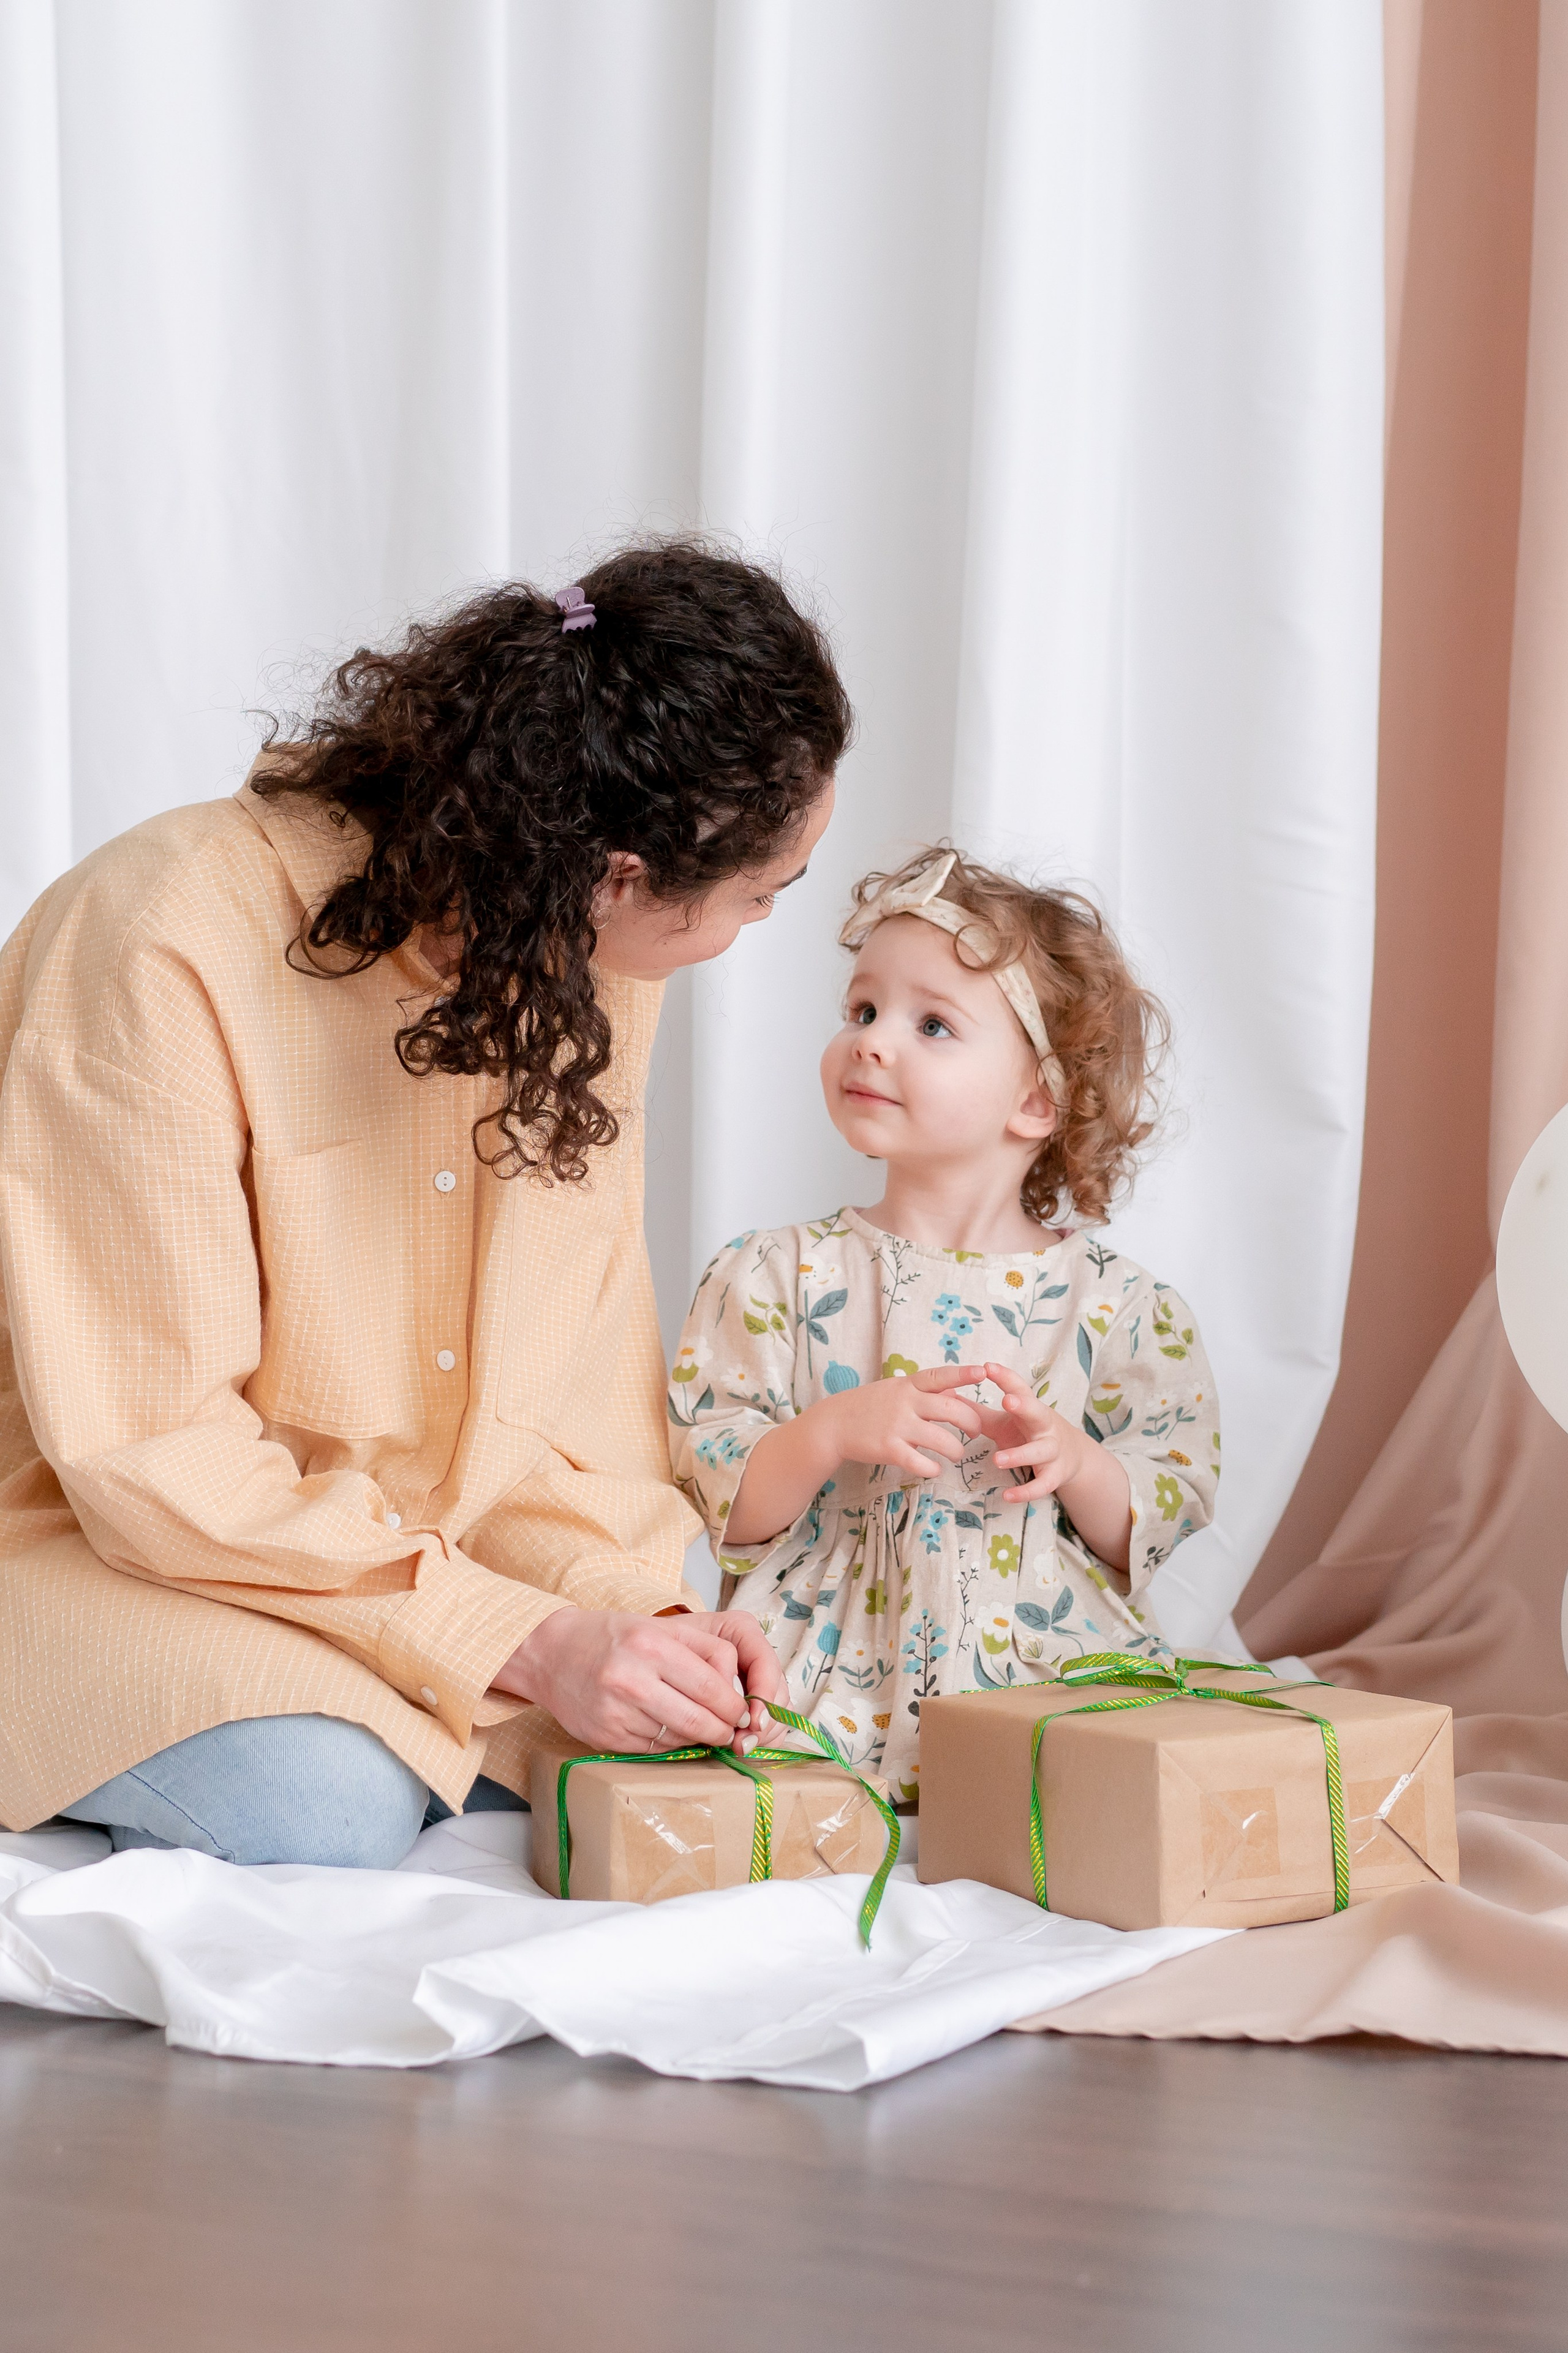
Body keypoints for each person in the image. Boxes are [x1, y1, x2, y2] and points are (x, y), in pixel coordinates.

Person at [0, 540, 849, 1864]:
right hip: (104, 1535)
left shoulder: (582, 956)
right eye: (757, 894)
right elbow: (150, 1452)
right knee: (321, 1809)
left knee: (669, 1713)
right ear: (619, 874)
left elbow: (564, 1407)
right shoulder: (157, 935)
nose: (755, 927)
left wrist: (633, 1616)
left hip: (403, 1547)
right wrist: (524, 1639)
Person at [668, 845, 1219, 1804]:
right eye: (862, 1010)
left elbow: (1163, 1501)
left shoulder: (1118, 1307)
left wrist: (1076, 1461)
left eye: (932, 1024)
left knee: (1092, 1798)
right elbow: (721, 1497)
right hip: (819, 1667)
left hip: (1039, 1666)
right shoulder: (777, 1275)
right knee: (770, 1795)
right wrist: (830, 1431)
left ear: (1036, 1099)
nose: (872, 1042)